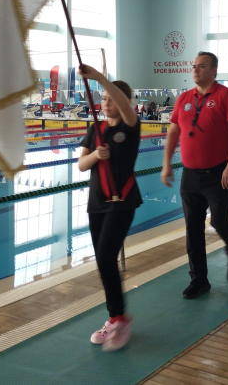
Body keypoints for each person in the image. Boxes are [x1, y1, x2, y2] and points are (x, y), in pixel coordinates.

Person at [162, 52, 228, 299]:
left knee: (219, 221)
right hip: (190, 175)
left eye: (201, 66)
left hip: (218, 173)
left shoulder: (225, 96)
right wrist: (166, 164)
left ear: (214, 70)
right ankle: (199, 280)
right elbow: (173, 131)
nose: (196, 70)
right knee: (193, 229)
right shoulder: (184, 98)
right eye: (194, 66)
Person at [78, 65, 140, 352]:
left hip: (122, 201)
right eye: (103, 98)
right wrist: (96, 155)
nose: (106, 103)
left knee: (105, 257)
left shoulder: (129, 126)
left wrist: (100, 78)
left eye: (111, 99)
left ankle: (119, 318)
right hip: (97, 203)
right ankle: (115, 318)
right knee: (104, 262)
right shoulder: (96, 129)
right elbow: (81, 164)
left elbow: (126, 109)